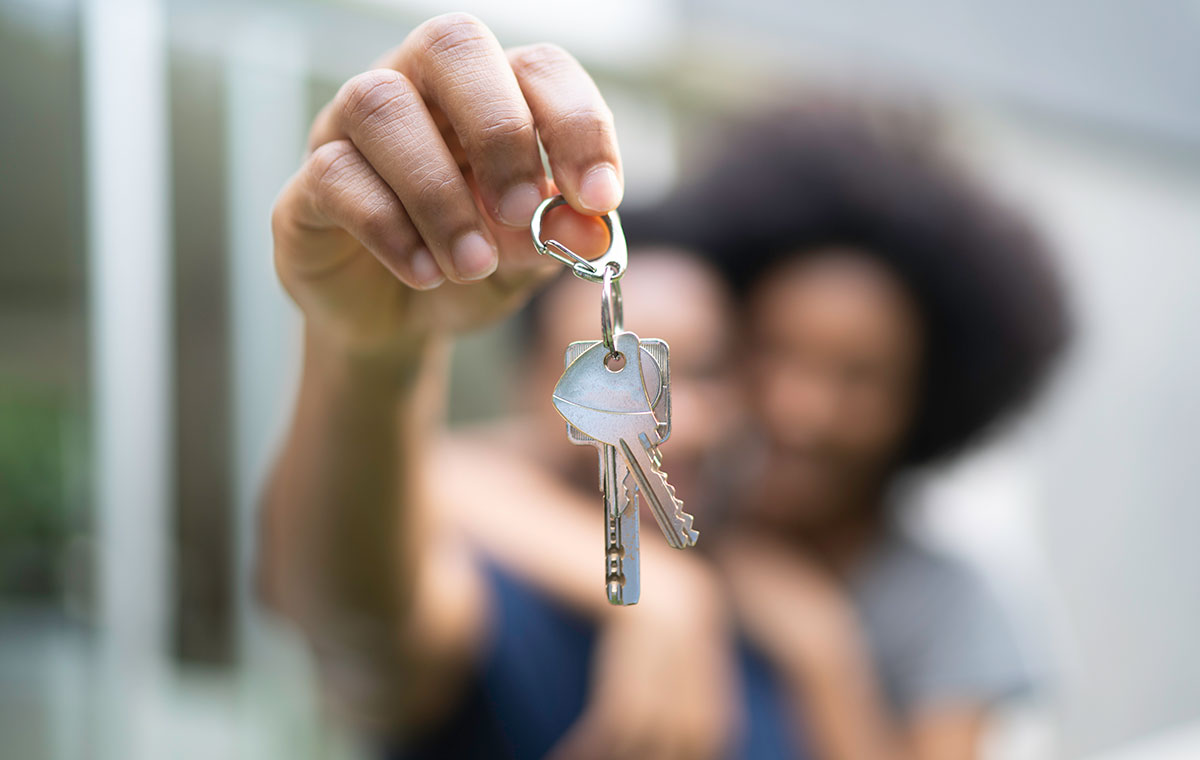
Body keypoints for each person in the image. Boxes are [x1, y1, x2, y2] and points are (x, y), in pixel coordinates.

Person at [260, 13, 1069, 759]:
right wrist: (369, 356)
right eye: (615, 372)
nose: (800, 408)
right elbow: (363, 608)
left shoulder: (833, 614)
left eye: (703, 371)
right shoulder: (503, 601)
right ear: (533, 400)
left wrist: (813, 645)